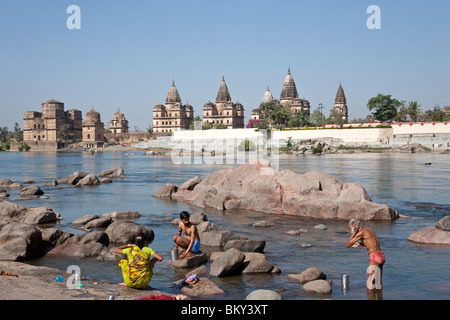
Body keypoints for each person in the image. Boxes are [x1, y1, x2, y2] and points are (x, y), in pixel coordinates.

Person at [346, 218, 385, 290]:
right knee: (379, 282)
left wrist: (354, 232)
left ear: (354, 225)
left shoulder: (361, 232)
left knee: (370, 283)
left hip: (375, 257)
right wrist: (360, 244)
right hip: (381, 255)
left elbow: (348, 245)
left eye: (350, 228)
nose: (350, 230)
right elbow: (372, 243)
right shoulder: (368, 229)